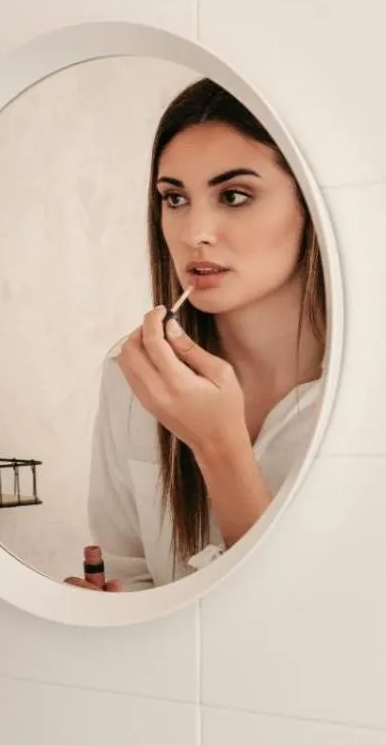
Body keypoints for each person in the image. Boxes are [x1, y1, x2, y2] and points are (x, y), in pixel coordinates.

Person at [72, 78, 326, 591]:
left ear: (310, 204)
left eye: (234, 196)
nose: (193, 233)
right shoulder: (135, 378)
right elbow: (130, 574)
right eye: (174, 198)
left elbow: (313, 621)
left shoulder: (362, 391)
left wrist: (218, 444)